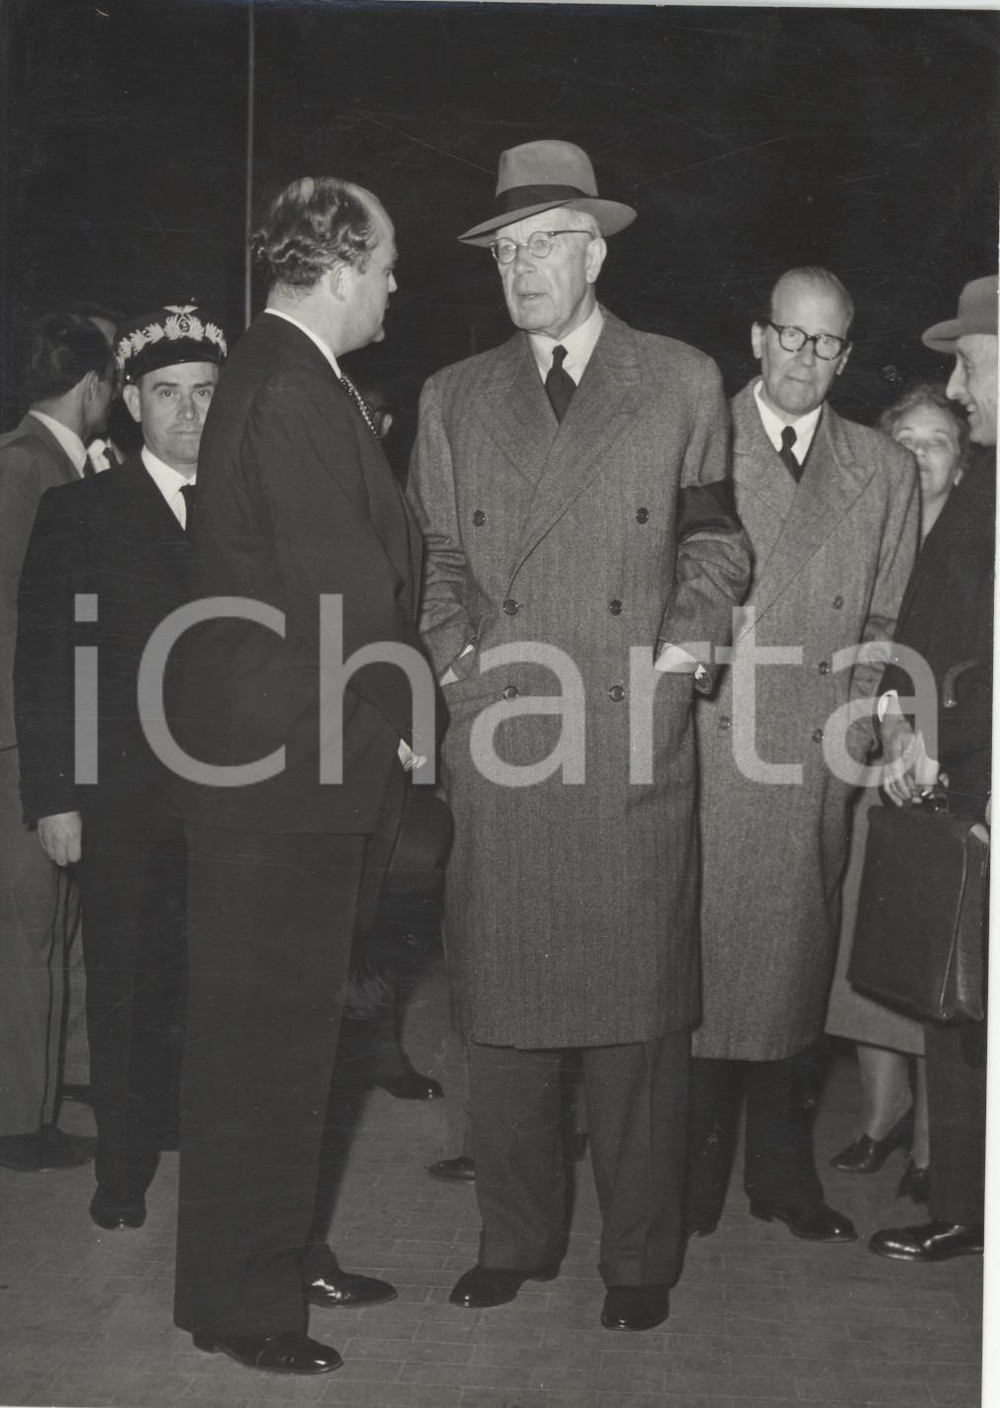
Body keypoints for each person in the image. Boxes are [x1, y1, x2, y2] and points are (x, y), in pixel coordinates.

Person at [408, 139, 752, 1334]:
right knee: (500, 1020)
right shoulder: (454, 397)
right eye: (506, 249)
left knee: (635, 1030)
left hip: (624, 730)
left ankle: (639, 1260)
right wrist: (457, 668)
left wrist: (684, 644)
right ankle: (515, 1237)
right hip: (504, 735)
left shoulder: (679, 379)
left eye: (545, 242)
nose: (523, 267)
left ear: (594, 250)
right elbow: (437, 561)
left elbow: (713, 540)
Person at [168, 176, 430, 1376]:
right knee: (259, 1049)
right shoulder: (285, 387)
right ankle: (241, 1302)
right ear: (335, 268)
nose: (391, 284)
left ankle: (282, 1252)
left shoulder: (292, 378)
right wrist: (416, 710)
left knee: (292, 1041)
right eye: (381, 264)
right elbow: (349, 592)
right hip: (279, 780)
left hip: (303, 770)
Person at [686, 267, 919, 1246]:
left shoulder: (882, 468)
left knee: (791, 975)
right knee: (695, 975)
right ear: (756, 337)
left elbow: (882, 616)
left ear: (847, 354)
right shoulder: (694, 446)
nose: (805, 357)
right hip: (707, 743)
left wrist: (857, 723)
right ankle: (684, 1185)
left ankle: (781, 1180)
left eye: (826, 343)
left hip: (813, 753)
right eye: (790, 335)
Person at [14, 305, 227, 1230]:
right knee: (125, 986)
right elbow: (47, 658)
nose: (187, 413)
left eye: (205, 394)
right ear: (131, 403)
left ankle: (193, 1137)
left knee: (212, 985)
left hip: (232, 799)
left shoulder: (251, 510)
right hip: (123, 798)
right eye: (166, 395)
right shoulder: (81, 511)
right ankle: (122, 1175)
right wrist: (54, 795)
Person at [869, 273, 996, 1263]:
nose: (954, 386)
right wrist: (904, 723)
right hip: (962, 782)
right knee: (959, 1012)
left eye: (969, 362)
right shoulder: (983, 479)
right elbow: (935, 624)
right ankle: (960, 1207)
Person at [825, 383, 971, 1203]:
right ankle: (881, 1112)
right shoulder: (872, 526)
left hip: (934, 764)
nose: (919, 454)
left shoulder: (970, 539)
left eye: (938, 440)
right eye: (905, 438)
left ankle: (928, 1138)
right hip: (859, 760)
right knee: (862, 939)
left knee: (923, 943)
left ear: (965, 457)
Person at [0, 311, 115, 1174]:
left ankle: (59, 1090)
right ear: (93, 389)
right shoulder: (27, 474)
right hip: (21, 741)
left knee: (59, 929)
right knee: (25, 932)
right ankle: (16, 1120)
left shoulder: (42, 467)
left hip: (48, 736)